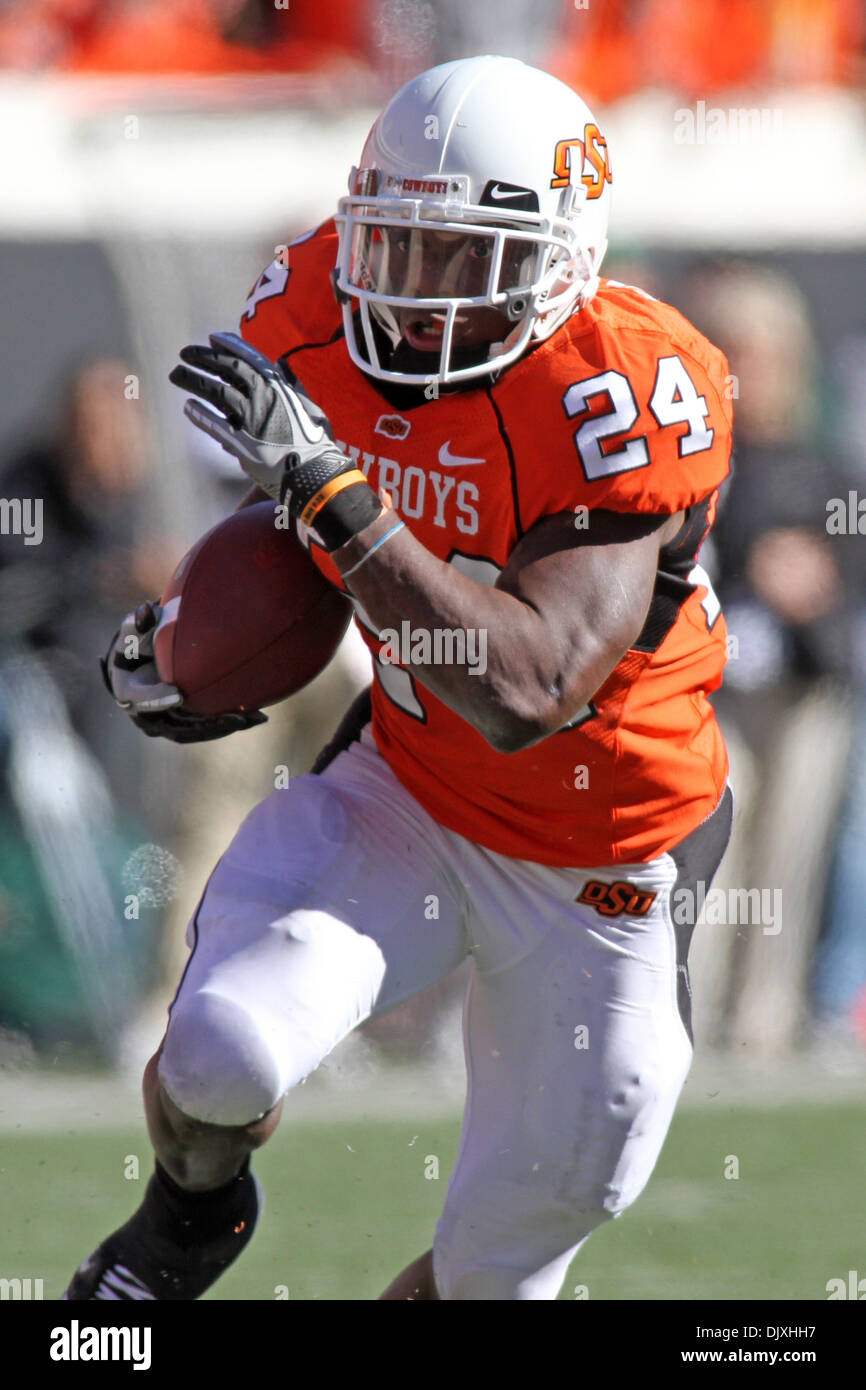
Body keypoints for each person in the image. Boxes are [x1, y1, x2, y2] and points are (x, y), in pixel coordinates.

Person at [64, 54, 734, 1302]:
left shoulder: (621, 387)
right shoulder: (318, 298)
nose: (414, 296)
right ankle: (187, 1221)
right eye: (398, 245)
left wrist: (327, 489)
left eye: (461, 259)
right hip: (411, 793)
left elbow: (529, 689)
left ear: (563, 263)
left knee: (497, 1273)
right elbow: (294, 553)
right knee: (218, 1050)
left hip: (605, 857)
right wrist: (184, 644)